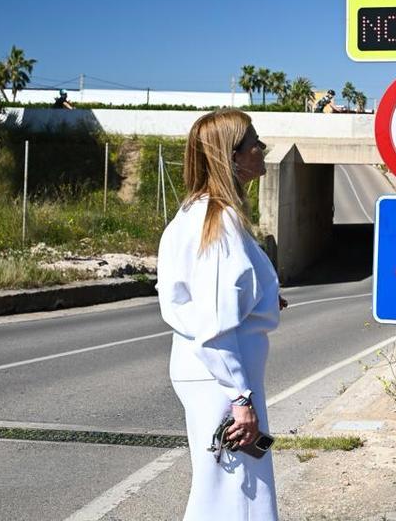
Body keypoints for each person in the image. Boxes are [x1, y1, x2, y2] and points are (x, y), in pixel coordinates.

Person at [157, 108, 285, 520]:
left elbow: (206, 297)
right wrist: (240, 397)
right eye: (253, 142)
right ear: (232, 156)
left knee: (223, 488)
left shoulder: (193, 213)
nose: (261, 147)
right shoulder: (219, 220)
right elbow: (214, 324)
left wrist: (262, 301)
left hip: (212, 373)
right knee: (235, 494)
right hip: (222, 376)